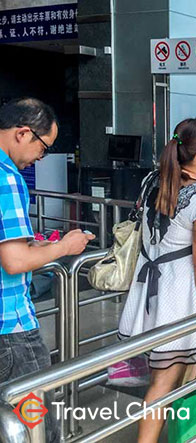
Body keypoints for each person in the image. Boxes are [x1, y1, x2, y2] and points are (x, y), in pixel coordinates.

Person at [118, 117, 196, 442]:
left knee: (163, 379)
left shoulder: (154, 181)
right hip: (181, 297)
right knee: (164, 384)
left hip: (150, 289)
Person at [0, 98, 94, 443]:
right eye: (44, 147)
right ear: (23, 133)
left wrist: (36, 246)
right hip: (11, 331)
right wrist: (64, 247)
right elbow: (14, 262)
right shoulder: (7, 178)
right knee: (37, 423)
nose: (42, 156)